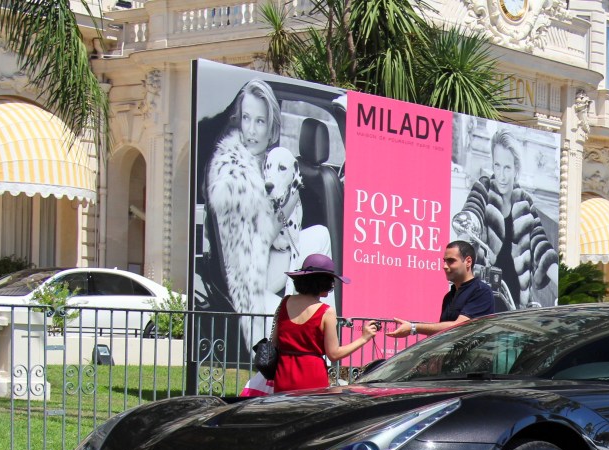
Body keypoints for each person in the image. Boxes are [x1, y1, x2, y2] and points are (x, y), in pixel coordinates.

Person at [450, 130, 559, 309]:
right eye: (497, 165)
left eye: (507, 168)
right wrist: (466, 232)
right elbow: (473, 211)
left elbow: (541, 246)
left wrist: (563, 282)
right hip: (484, 301)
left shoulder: (525, 202)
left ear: (516, 168)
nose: (501, 175)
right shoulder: (483, 189)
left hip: (515, 306)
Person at [206, 78, 283, 322]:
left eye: (259, 121)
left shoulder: (267, 163)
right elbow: (265, 237)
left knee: (322, 236)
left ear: (271, 127)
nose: (250, 130)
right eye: (246, 118)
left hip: (269, 264)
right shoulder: (233, 172)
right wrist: (290, 202)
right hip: (251, 277)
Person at [272, 254, 380, 393]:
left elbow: (274, 342)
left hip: (283, 374)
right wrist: (364, 338)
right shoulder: (326, 312)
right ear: (323, 283)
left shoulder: (285, 302)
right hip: (312, 377)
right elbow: (334, 354)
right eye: (331, 281)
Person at [386, 241, 497, 338]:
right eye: (444, 261)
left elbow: (460, 327)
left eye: (451, 261)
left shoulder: (481, 291)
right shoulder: (449, 296)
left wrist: (413, 327)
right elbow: (443, 335)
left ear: (468, 261)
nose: (444, 266)